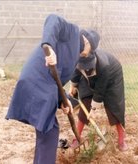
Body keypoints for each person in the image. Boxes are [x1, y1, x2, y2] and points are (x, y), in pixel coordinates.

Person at [5, 14, 81, 164]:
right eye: (90, 50)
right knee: (49, 131)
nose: (86, 55)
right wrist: (48, 46)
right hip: (37, 84)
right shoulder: (73, 33)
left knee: (46, 133)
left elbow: (56, 78)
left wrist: (63, 101)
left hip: (42, 85)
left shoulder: (71, 54)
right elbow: (53, 19)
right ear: (87, 42)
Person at [69, 29, 128, 151]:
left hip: (111, 77)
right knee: (85, 103)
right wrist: (73, 85)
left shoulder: (104, 66)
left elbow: (100, 91)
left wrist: (94, 109)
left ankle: (122, 140)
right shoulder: (79, 55)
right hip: (89, 78)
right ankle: (77, 137)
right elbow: (76, 71)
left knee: (115, 107)